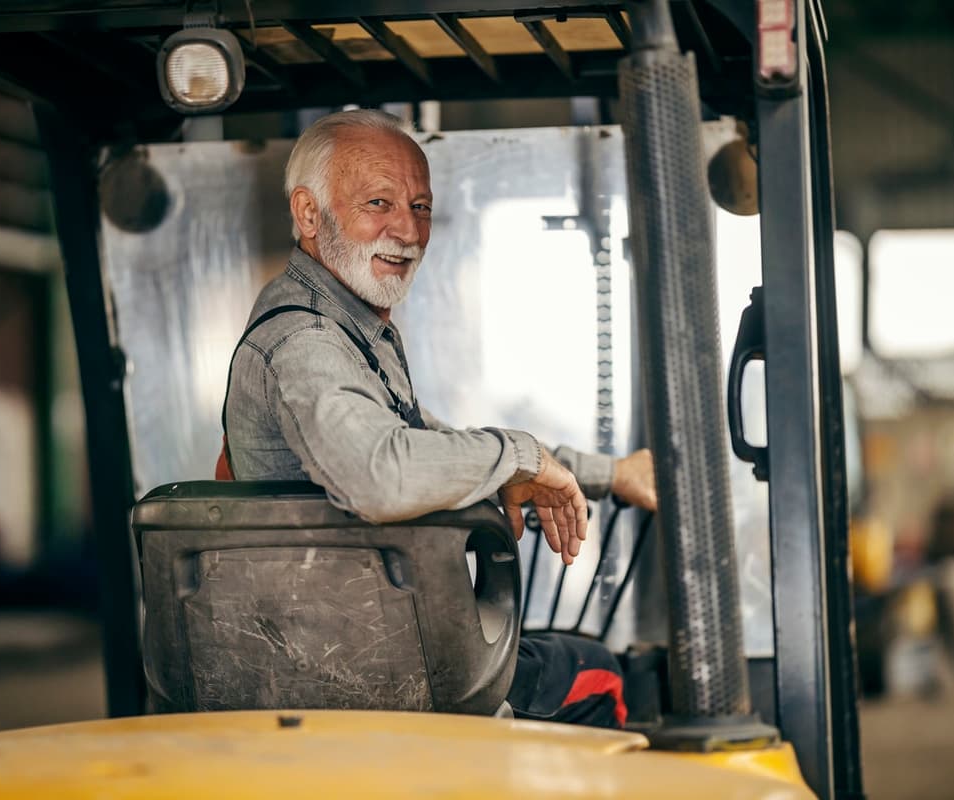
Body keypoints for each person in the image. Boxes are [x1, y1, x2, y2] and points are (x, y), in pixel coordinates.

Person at [220, 109, 657, 728]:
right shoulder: (307, 342)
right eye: (379, 202)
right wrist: (519, 456)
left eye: (420, 207)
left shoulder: (346, 328)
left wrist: (603, 472)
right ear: (309, 214)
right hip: (358, 666)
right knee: (602, 675)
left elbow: (433, 446)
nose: (407, 231)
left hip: (361, 644)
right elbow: (381, 474)